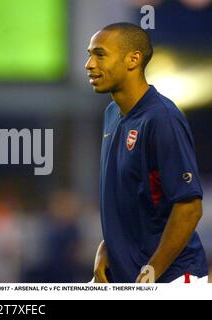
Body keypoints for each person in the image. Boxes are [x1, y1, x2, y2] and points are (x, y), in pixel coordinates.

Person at [85, 22, 208, 283]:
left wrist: (152, 269)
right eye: (89, 54)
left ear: (133, 59)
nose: (90, 64)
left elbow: (189, 208)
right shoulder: (111, 115)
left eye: (100, 54)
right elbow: (133, 199)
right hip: (130, 276)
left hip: (172, 279)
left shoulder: (162, 119)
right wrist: (109, 246)